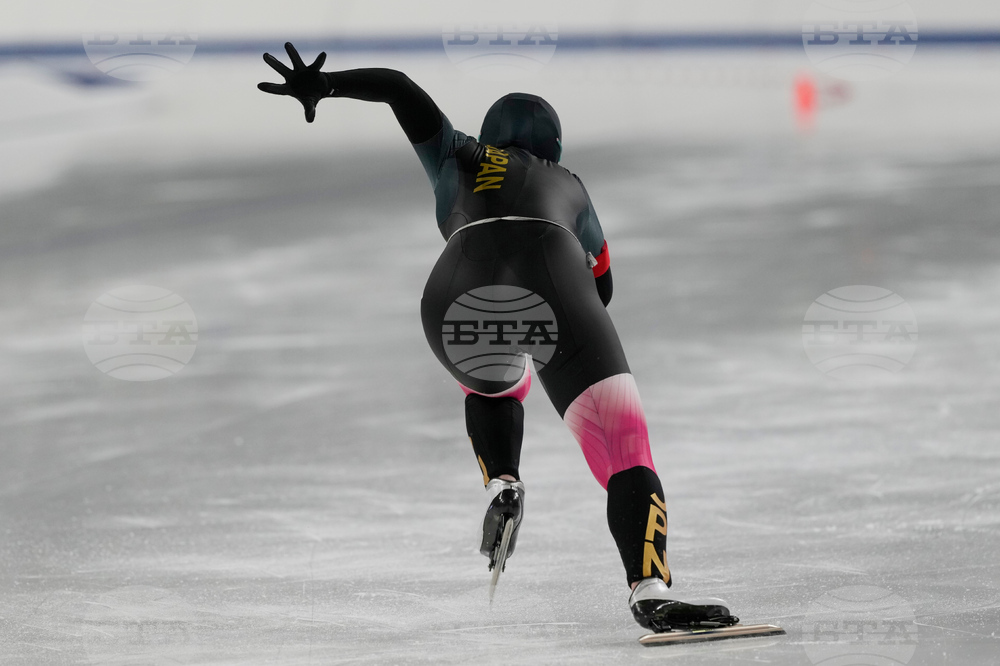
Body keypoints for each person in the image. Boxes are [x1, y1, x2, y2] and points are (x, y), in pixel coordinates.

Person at [258, 42, 738, 632]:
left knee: (492, 382)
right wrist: (565, 336)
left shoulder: (456, 152)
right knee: (624, 448)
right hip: (552, 271)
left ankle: (503, 481)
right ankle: (649, 589)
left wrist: (325, 84)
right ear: (553, 147)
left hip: (454, 290)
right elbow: (603, 287)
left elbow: (398, 87)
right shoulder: (569, 182)